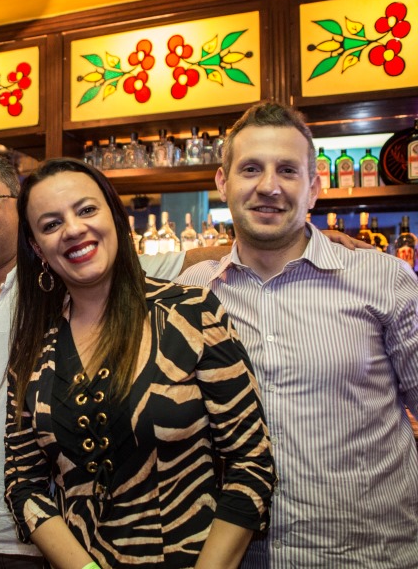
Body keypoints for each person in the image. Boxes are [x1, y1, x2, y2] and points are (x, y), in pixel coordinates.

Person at [177, 101, 418, 568]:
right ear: (223, 184)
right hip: (238, 557)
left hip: (371, 556)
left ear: (314, 188)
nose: (269, 186)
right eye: (250, 169)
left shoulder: (384, 280)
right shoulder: (191, 292)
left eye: (288, 170)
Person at [4, 157, 276, 569]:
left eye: (86, 209)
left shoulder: (191, 314)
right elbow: (23, 484)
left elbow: (251, 462)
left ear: (116, 217)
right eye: (51, 223)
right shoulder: (32, 349)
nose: (74, 229)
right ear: (38, 249)